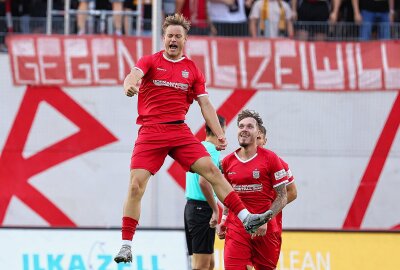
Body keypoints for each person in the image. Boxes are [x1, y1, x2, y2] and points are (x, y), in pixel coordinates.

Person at [113, 14, 273, 264]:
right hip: (151, 131)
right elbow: (132, 76)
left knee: (212, 170)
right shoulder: (150, 61)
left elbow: (205, 104)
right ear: (164, 38)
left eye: (178, 36)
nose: (173, 39)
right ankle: (125, 244)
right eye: (169, 36)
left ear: (185, 39)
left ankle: (245, 218)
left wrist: (219, 133)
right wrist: (128, 86)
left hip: (178, 131)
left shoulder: (192, 70)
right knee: (135, 185)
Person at [217, 109, 288, 270]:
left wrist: (265, 219)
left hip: (265, 230)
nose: (244, 129)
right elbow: (227, 195)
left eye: (250, 126)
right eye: (241, 126)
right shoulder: (227, 162)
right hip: (237, 227)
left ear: (258, 133)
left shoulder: (271, 159)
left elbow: (283, 196)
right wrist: (223, 219)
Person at [184, 115, 226, 270]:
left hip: (192, 208)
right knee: (201, 266)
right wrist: (215, 209)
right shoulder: (213, 150)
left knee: (210, 264)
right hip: (202, 209)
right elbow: (203, 182)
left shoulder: (198, 147)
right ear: (221, 129)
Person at [257, 124, 297, 205]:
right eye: (253, 138)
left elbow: (292, 192)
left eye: (258, 138)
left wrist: (269, 211)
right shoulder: (237, 161)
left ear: (265, 140)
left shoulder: (277, 162)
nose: (255, 142)